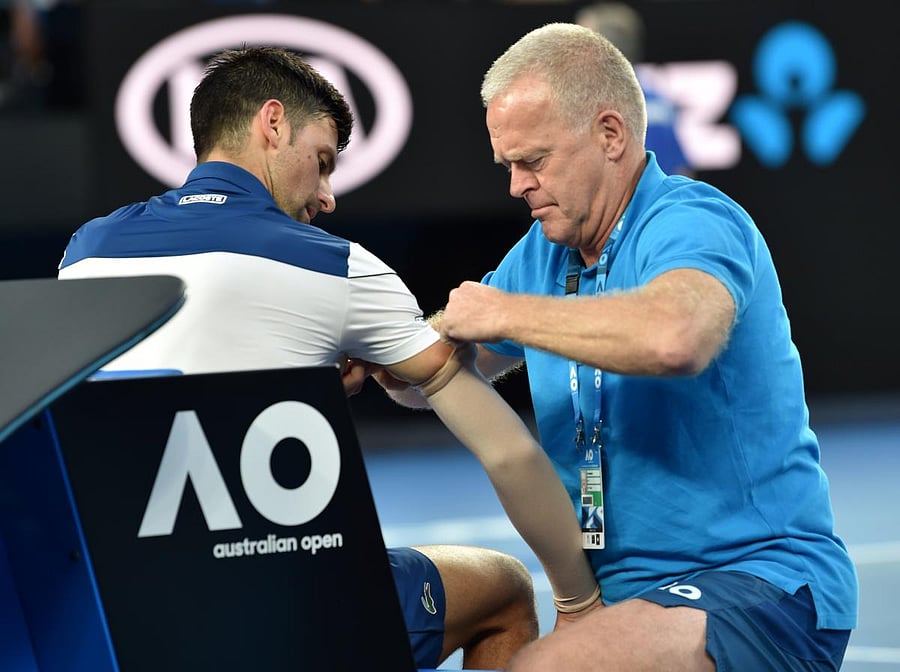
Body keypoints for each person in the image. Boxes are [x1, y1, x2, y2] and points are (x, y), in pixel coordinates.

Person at [56, 46, 600, 670]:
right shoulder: (335, 265)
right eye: (321, 162)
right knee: (503, 587)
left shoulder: (85, 252)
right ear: (272, 123)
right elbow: (509, 453)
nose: (327, 195)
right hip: (278, 614)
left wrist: (301, 393)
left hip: (113, 617)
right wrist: (579, 601)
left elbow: (161, 411)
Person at [382, 23, 858, 671]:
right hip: (622, 597)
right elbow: (437, 374)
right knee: (502, 618)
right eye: (508, 165)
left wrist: (505, 311)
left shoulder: (695, 219)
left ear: (610, 135)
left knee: (547, 667)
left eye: (533, 161)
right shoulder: (545, 253)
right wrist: (384, 356)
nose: (516, 185)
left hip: (761, 584)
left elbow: (676, 337)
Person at [575, 2, 693, 177]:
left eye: (579, 40)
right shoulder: (658, 99)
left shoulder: (597, 104)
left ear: (602, 48)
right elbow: (683, 171)